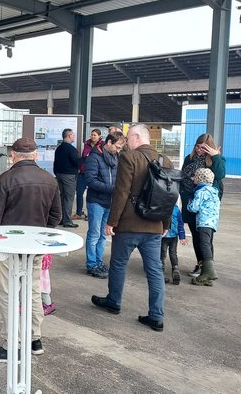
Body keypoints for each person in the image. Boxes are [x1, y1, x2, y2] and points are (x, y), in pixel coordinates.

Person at [0, 137, 61, 362]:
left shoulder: (6, 179)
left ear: (13, 156)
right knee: (33, 292)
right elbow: (55, 215)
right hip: (35, 248)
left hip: (7, 249)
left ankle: (10, 345)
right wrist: (39, 236)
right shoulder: (50, 180)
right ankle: (35, 339)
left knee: (7, 294)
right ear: (35, 155)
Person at [90, 124, 170, 332]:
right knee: (155, 271)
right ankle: (156, 316)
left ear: (136, 137)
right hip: (154, 226)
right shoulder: (164, 160)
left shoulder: (129, 157)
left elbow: (121, 192)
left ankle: (114, 302)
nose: (126, 142)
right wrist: (166, 224)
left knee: (118, 264)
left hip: (129, 225)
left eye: (128, 138)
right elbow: (170, 196)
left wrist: (111, 222)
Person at [179, 133, 226, 277]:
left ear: (209, 148)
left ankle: (208, 267)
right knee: (195, 234)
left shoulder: (216, 160)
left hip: (206, 207)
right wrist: (185, 196)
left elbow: (220, 175)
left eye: (203, 148)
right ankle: (200, 263)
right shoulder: (190, 158)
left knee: (205, 237)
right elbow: (183, 176)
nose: (199, 150)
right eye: (197, 147)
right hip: (191, 201)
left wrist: (215, 156)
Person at [83, 132, 125, 279]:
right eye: (117, 147)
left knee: (102, 235)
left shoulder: (115, 158)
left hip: (109, 202)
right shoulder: (94, 158)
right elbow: (91, 181)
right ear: (108, 142)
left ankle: (99, 262)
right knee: (94, 234)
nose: (118, 150)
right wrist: (113, 189)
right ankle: (91, 264)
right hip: (96, 202)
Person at [188, 168, 221, 286]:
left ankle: (209, 272)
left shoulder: (201, 191)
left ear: (200, 179)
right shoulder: (214, 191)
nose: (193, 179)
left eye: (195, 177)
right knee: (208, 244)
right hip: (212, 223)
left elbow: (194, 208)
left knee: (204, 244)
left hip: (203, 222)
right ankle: (207, 276)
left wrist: (189, 202)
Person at [53, 128, 80, 228]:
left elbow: (55, 163)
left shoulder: (59, 148)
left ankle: (60, 219)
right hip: (69, 176)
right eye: (73, 135)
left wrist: (56, 173)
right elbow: (76, 162)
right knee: (69, 198)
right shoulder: (71, 149)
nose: (74, 137)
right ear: (69, 136)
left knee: (62, 197)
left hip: (59, 175)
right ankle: (67, 221)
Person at [75, 128, 103, 220]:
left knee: (92, 195)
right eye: (91, 134)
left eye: (94, 135)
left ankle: (89, 214)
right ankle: (79, 213)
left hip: (95, 173)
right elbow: (83, 157)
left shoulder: (102, 146)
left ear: (99, 136)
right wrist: (79, 168)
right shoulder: (86, 145)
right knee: (79, 193)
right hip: (83, 172)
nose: (92, 136)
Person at [161, 204, 187, 285]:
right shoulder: (175, 209)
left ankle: (169, 269)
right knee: (171, 253)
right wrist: (182, 236)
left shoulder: (163, 208)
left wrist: (182, 237)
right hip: (167, 236)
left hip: (168, 236)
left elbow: (180, 223)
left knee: (164, 253)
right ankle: (173, 268)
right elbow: (180, 224)